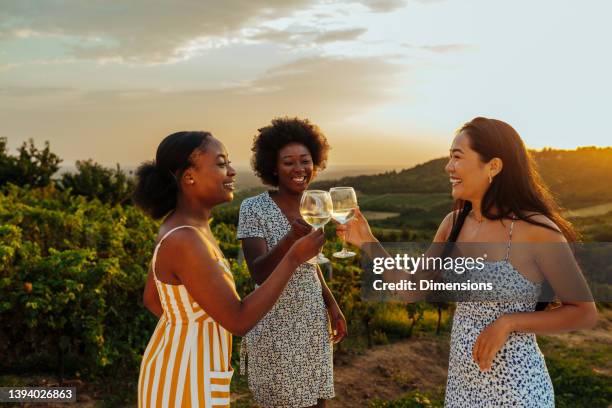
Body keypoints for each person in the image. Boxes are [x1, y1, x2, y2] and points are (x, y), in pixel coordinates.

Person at [336, 117, 598, 407]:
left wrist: (509, 322)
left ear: (493, 166)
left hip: (517, 390)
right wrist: (367, 242)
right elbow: (413, 291)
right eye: (449, 157)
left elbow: (584, 312)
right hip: (463, 387)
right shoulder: (453, 225)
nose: (449, 167)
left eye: (457, 158)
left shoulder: (536, 231)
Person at [133, 131, 324, 407]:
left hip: (184, 369)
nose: (232, 171)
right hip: (186, 381)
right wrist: (293, 258)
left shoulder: (183, 226)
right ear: (189, 177)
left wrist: (191, 327)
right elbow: (238, 320)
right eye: (221, 163)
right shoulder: (186, 238)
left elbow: (152, 299)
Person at [237, 118, 346, 408]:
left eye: (305, 161)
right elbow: (258, 271)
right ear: (273, 167)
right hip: (275, 324)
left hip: (311, 320)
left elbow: (311, 263)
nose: (299, 169)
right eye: (288, 162)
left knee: (317, 402)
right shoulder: (253, 208)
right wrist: (290, 239)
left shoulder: (314, 204)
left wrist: (331, 305)